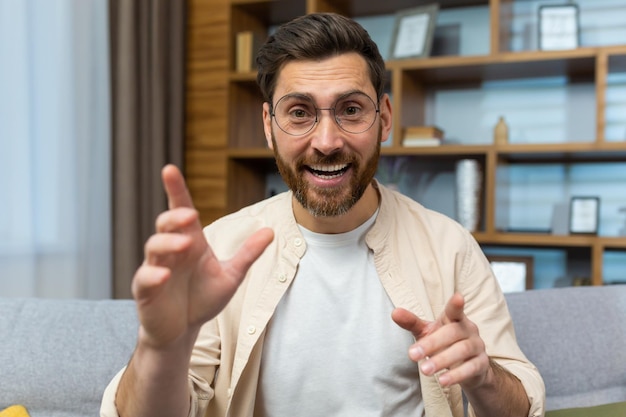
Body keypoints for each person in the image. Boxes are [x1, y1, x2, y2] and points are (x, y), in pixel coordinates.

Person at [101, 12, 545, 417]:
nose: (327, 141)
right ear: (268, 126)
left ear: (384, 118)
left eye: (351, 110)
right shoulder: (220, 249)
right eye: (299, 113)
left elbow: (522, 406)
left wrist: (482, 376)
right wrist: (160, 347)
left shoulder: (449, 246)